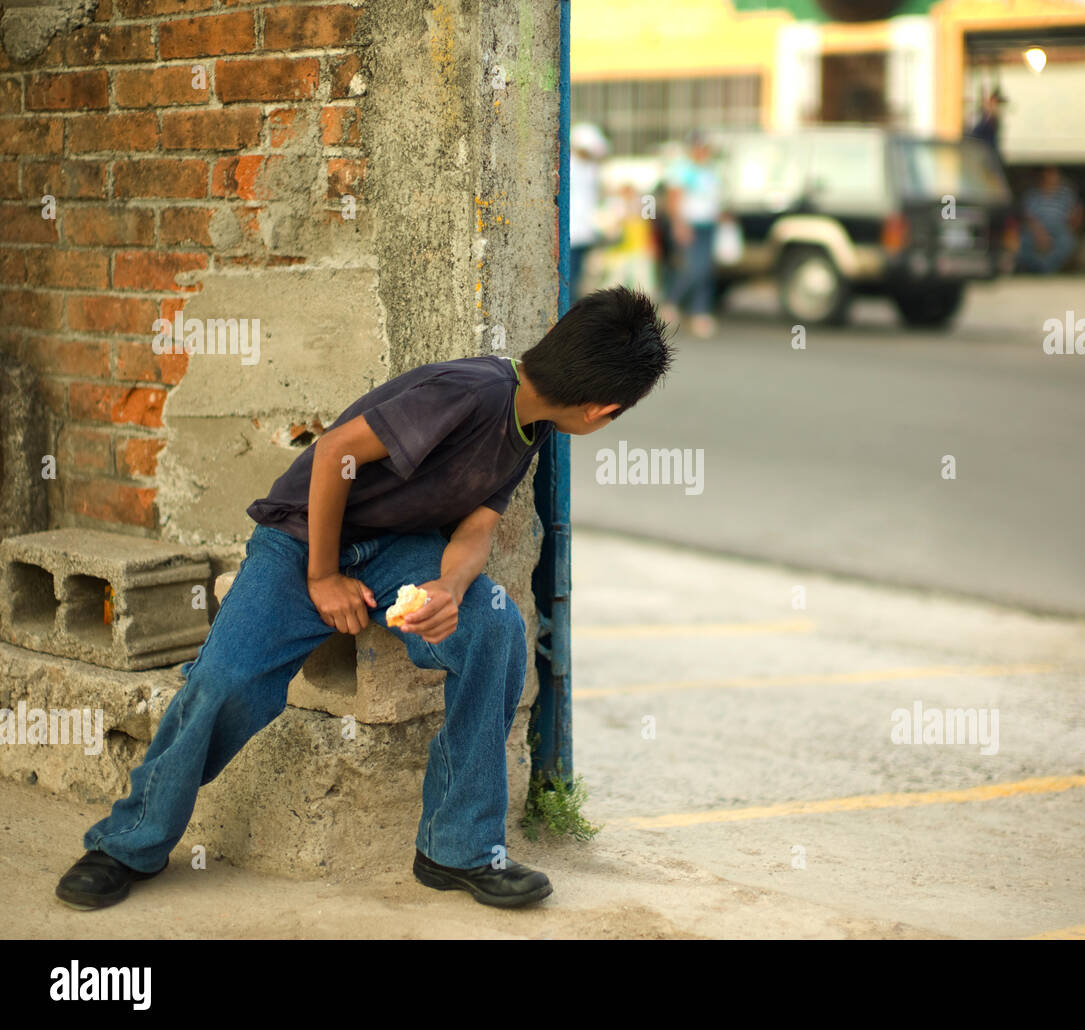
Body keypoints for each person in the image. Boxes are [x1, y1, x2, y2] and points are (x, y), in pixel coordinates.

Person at [55, 287, 675, 912]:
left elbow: (477, 526)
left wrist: (450, 589)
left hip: (399, 551)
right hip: (300, 540)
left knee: (495, 627)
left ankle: (455, 847)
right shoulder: (472, 391)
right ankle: (127, 842)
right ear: (602, 410)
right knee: (224, 680)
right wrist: (323, 577)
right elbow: (335, 451)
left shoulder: (532, 425)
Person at [661, 130, 724, 338]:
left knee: (705, 269)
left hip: (708, 225)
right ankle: (672, 302)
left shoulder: (710, 169)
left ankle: (700, 312)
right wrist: (679, 224)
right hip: (690, 225)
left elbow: (714, 198)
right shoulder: (683, 170)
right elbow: (673, 199)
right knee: (692, 268)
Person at [1016, 166, 1085, 274]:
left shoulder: (1066, 194)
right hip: (1036, 228)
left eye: (1053, 175)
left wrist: (1074, 224)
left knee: (1068, 242)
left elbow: (1076, 212)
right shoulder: (1032, 194)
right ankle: (1038, 266)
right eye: (1047, 175)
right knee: (1021, 242)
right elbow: (1028, 218)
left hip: (1060, 228)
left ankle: (1046, 267)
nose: (1050, 178)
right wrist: (1040, 234)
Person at [568, 123, 609, 299]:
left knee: (578, 279)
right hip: (571, 232)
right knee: (569, 279)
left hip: (585, 232)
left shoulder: (591, 169)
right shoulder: (569, 166)